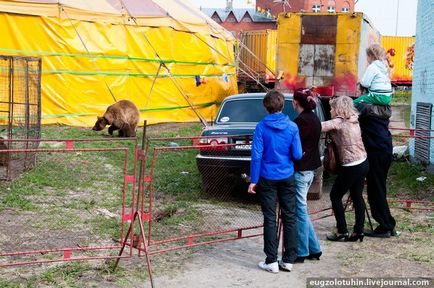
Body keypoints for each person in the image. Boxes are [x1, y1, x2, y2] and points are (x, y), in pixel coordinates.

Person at [248, 90, 302, 273]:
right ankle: (288, 259)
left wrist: (253, 180)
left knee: (270, 218)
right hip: (287, 175)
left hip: (267, 177)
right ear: (282, 105)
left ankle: (271, 260)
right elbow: (296, 154)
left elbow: (256, 156)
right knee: (290, 216)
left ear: (266, 106)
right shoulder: (292, 127)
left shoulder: (261, 127)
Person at [321, 96, 369, 242]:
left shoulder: (338, 122)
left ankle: (342, 231)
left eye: (331, 107)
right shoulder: (354, 119)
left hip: (350, 165)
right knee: (357, 196)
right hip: (363, 161)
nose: (330, 110)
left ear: (338, 109)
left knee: (335, 196)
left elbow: (318, 126)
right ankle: (358, 231)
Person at [357, 103, 397, 238]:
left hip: (375, 153)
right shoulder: (383, 109)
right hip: (385, 151)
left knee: (375, 190)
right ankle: (388, 223)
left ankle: (385, 226)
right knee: (379, 188)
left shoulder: (366, 110)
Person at [292, 88, 322, 262]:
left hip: (301, 170)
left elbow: (296, 149)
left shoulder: (300, 122)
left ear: (296, 103)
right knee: (302, 210)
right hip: (310, 170)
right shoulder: (315, 118)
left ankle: (302, 251)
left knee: (300, 212)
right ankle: (314, 248)